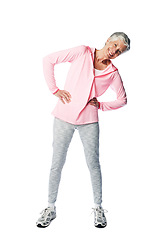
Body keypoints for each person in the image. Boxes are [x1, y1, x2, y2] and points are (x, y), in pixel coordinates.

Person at [36, 32, 130, 228]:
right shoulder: (82, 52)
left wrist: (102, 105)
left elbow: (122, 99)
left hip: (89, 121)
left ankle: (98, 208)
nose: (114, 51)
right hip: (64, 116)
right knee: (57, 162)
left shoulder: (112, 73)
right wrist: (55, 90)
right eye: (114, 45)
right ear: (107, 41)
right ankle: (50, 208)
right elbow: (48, 60)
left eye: (119, 51)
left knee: (93, 164)